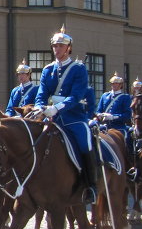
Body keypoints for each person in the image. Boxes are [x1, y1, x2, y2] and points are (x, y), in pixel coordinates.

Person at [36, 27, 98, 204]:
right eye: (55, 46)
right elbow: (42, 93)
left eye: (61, 46)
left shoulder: (78, 69)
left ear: (69, 48)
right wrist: (41, 107)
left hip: (73, 118)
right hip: (52, 119)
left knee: (85, 144)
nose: (57, 49)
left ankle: (90, 185)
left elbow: (76, 96)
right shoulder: (48, 70)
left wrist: (57, 108)